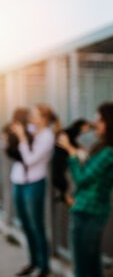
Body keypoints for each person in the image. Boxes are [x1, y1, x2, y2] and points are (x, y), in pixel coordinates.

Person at [57, 102, 113, 277]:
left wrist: (70, 151)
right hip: (85, 209)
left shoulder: (110, 152)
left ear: (111, 124)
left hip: (90, 212)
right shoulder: (104, 148)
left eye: (100, 120)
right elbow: (89, 180)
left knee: (83, 265)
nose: (94, 123)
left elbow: (82, 178)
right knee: (89, 262)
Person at [11, 104, 60, 277]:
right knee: (25, 224)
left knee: (36, 224)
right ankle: (32, 261)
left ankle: (44, 265)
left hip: (35, 183)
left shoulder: (47, 136)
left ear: (44, 118)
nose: (30, 115)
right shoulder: (29, 129)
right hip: (18, 180)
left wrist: (22, 138)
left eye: (35, 113)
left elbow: (30, 160)